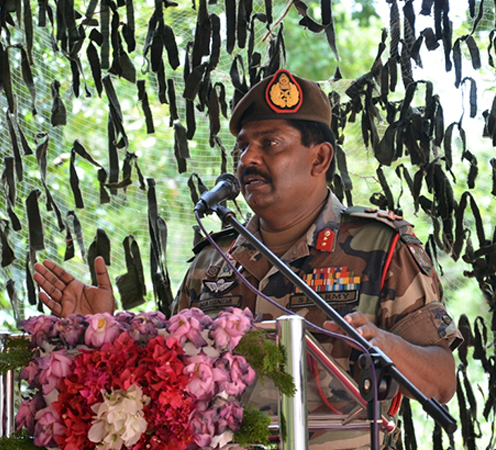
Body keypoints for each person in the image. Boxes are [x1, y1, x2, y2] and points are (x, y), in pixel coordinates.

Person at [33, 69, 462, 449]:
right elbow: (165, 382)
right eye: (243, 147)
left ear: (320, 158)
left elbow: (442, 380)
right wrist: (103, 330)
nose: (248, 159)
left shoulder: (381, 247)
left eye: (269, 143)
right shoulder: (211, 262)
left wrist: (387, 347)